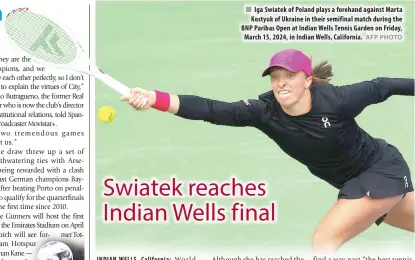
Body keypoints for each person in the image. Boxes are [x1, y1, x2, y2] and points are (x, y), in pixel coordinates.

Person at [120, 49, 414, 253]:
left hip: (381, 169)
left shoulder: (337, 100)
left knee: (323, 241)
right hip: (354, 182)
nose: (280, 83)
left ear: (307, 80)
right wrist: (153, 98)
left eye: (289, 76)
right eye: (275, 77)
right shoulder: (264, 112)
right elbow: (211, 109)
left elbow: (383, 86)